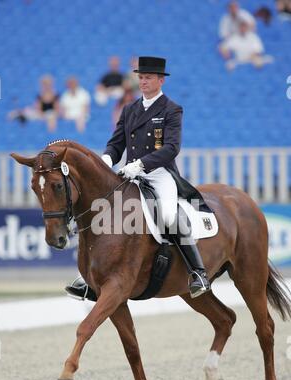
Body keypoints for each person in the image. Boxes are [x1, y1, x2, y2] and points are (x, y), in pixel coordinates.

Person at [66, 56, 210, 301]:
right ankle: (90, 278)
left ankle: (198, 273)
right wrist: (106, 161)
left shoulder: (171, 109)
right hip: (129, 174)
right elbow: (116, 144)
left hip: (159, 173)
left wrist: (142, 164)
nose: (143, 81)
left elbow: (171, 148)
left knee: (167, 214)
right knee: (102, 211)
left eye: (148, 77)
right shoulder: (130, 109)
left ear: (160, 80)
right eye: (141, 77)